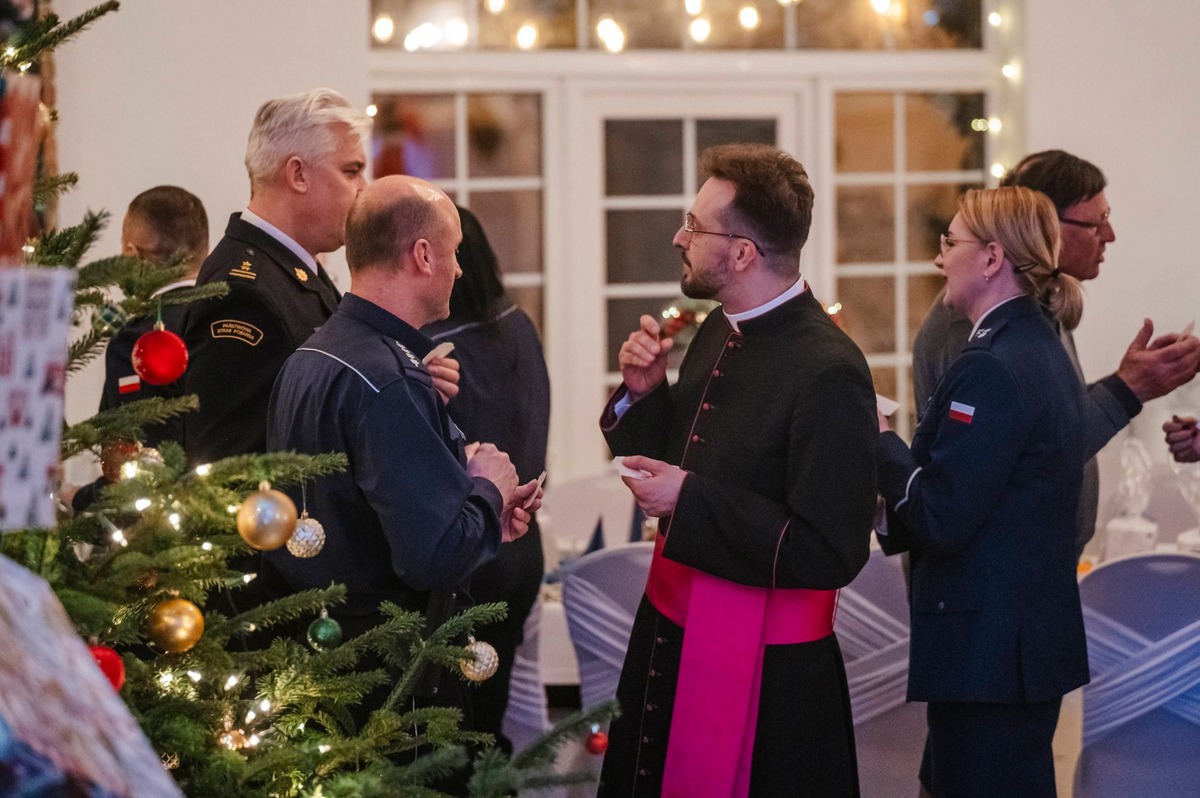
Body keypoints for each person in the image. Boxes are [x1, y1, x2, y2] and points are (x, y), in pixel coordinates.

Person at [599, 143, 877, 797]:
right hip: (672, 629)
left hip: (770, 675)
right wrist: (644, 392)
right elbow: (682, 455)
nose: (679, 238)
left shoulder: (830, 370)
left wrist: (689, 499)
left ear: (744, 252)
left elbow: (831, 549)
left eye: (694, 226)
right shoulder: (720, 328)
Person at [262, 175, 543, 722]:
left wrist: (472, 500)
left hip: (320, 659)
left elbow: (355, 502)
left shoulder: (312, 355)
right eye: (453, 251)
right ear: (423, 255)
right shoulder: (389, 379)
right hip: (389, 688)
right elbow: (432, 557)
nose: (459, 270)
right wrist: (487, 486)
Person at [878, 186, 1090, 796]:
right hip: (1013, 649)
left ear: (993, 257)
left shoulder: (992, 364)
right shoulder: (1037, 345)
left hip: (988, 653)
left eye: (951, 242)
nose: (939, 257)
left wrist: (879, 441)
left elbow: (943, 515)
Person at [912, 150, 1200, 556]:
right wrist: (1128, 388)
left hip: (1031, 565)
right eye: (1096, 222)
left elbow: (1046, 416)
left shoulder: (1038, 306)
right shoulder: (972, 323)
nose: (1110, 235)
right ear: (1044, 225)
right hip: (995, 571)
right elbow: (1027, 452)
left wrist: (1134, 378)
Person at [180, 88, 370, 465]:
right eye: (351, 171)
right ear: (298, 174)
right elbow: (228, 466)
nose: (364, 187)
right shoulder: (243, 293)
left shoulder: (293, 269)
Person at [422, 206, 550, 752]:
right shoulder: (516, 324)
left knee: (448, 738)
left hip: (471, 549)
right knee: (487, 721)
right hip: (522, 546)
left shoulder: (434, 347)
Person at [68, 186, 208, 511]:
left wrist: (81, 500)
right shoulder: (230, 319)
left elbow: (138, 467)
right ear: (205, 249)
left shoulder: (138, 340)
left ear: (131, 254)